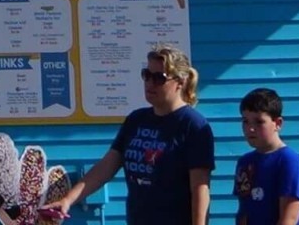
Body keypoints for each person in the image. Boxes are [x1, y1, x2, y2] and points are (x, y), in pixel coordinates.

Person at [58, 45, 216, 225]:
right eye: (146, 75)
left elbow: (200, 188)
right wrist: (68, 200)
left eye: (159, 78)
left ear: (180, 82)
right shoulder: (136, 120)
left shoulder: (193, 125)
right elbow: (106, 167)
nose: (150, 83)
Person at [234, 88, 299, 225]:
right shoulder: (245, 162)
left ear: (278, 123)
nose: (250, 128)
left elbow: (289, 218)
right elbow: (244, 212)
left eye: (259, 122)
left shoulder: (289, 161)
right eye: (245, 121)